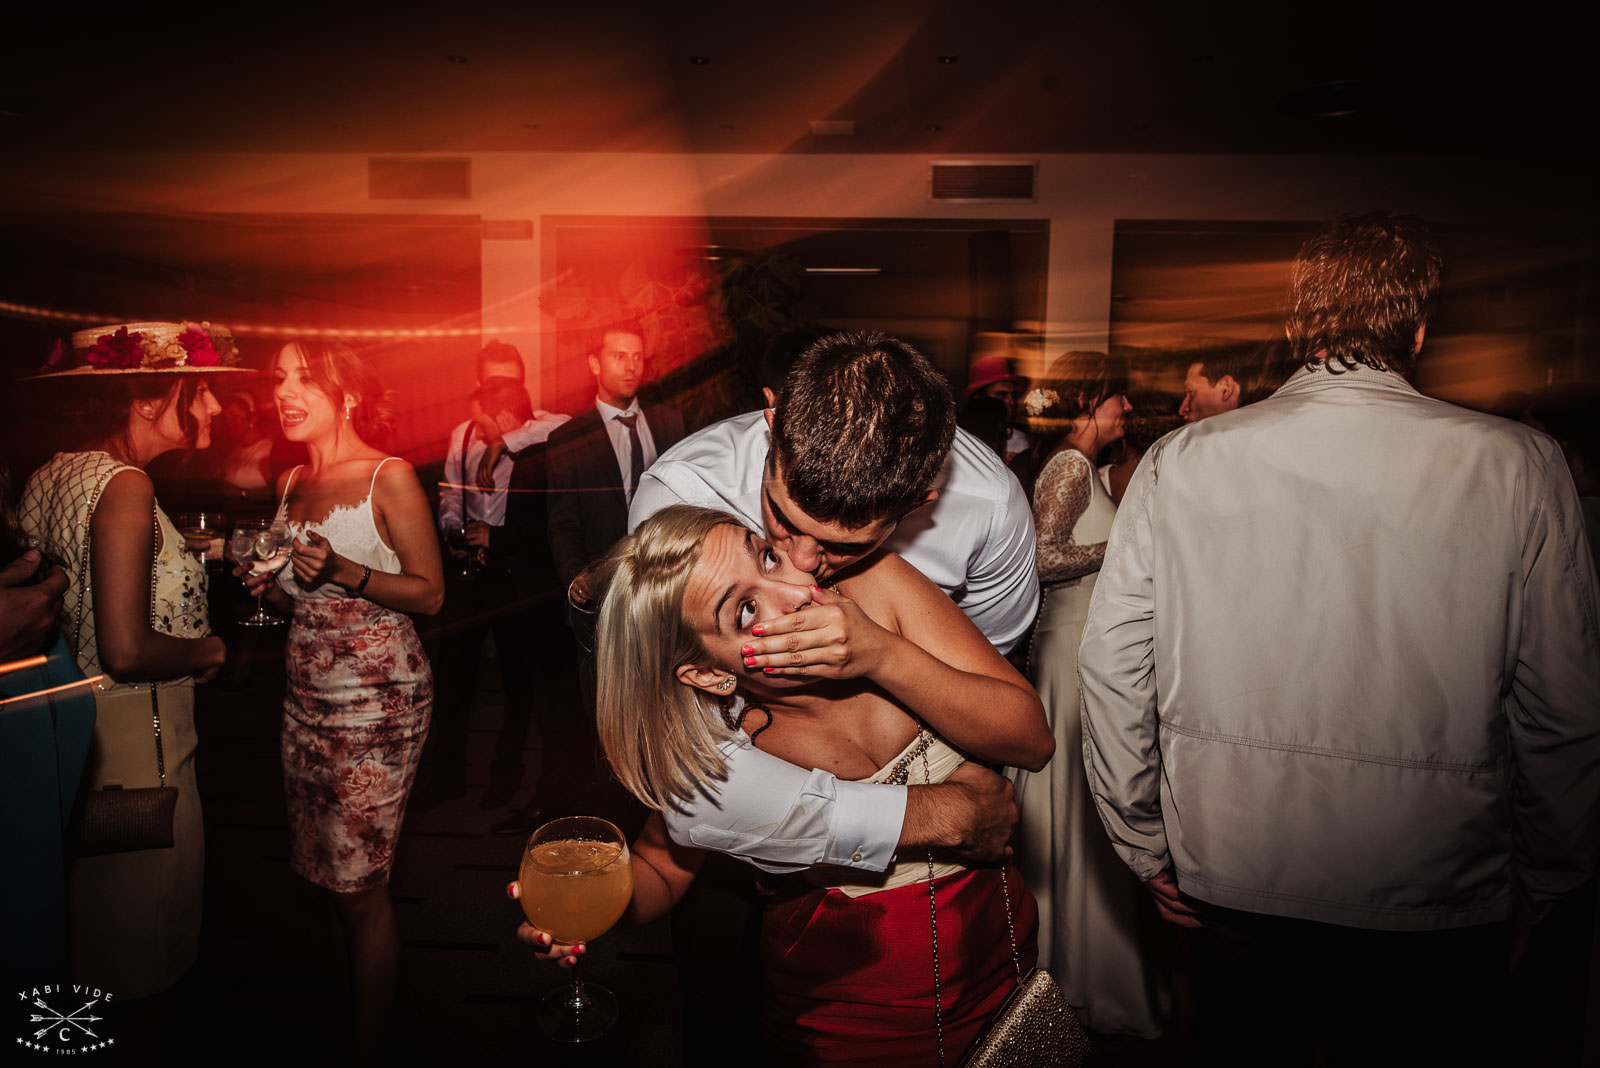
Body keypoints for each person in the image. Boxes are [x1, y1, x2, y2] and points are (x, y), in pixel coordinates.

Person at [1078, 212, 1600, 1064]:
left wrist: (1145, 844)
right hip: (1442, 880)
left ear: (1296, 326)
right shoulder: (1520, 464)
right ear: (1420, 329)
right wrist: (1548, 881)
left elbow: (1112, 663)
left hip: (1234, 864)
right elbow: (1566, 703)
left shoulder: (1182, 459)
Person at [517, 505, 1054, 1065]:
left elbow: (1033, 741)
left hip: (1000, 954)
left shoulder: (875, 587)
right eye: (746, 610)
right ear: (709, 673)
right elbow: (659, 868)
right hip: (842, 1007)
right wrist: (579, 909)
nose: (796, 590)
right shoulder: (725, 756)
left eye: (767, 556)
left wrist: (883, 654)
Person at [628, 330, 1038, 873]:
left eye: (842, 549)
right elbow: (692, 766)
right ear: (771, 424)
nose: (800, 570)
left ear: (917, 506)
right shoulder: (683, 493)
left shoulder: (988, 510)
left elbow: (980, 684)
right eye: (778, 523)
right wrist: (920, 815)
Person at [17, 320, 239, 999]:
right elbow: (126, 646)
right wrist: (212, 646)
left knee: (93, 955)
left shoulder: (53, 472)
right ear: (146, 401)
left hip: (74, 737)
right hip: (140, 753)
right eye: (197, 390)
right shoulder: (124, 485)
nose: (214, 408)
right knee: (145, 963)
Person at [244, 338, 444, 1065]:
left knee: (360, 885)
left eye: (305, 379)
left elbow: (430, 592)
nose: (285, 392)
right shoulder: (291, 478)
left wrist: (348, 569)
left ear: (348, 395)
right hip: (304, 696)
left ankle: (368, 1047)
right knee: (324, 874)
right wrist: (270, 580)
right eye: (280, 378)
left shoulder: (388, 477)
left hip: (379, 701)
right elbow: (294, 581)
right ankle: (345, 1018)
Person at [1010, 352, 1167, 1037]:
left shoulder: (1088, 470)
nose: (1124, 411)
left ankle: (1086, 967)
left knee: (1087, 809)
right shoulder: (1069, 467)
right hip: (1071, 658)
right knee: (1075, 804)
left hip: (1082, 649)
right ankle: (1065, 974)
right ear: (1086, 403)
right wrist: (1124, 548)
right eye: (1115, 400)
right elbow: (1042, 559)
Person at [491, 319, 684, 836]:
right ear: (595, 364)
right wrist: (577, 578)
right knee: (602, 713)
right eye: (619, 355)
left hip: (662, 591)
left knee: (661, 708)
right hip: (599, 597)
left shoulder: (669, 423)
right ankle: (606, 824)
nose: (630, 364)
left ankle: (659, 816)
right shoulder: (571, 435)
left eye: (638, 356)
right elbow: (562, 520)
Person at [424, 352, 567, 810]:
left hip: (515, 573)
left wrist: (505, 440)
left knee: (516, 682)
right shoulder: (463, 433)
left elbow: (559, 427)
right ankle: (446, 776)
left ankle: (506, 776)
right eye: (492, 380)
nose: (500, 386)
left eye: (509, 381)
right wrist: (451, 529)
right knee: (453, 677)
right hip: (471, 571)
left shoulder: (545, 429)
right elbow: (450, 492)